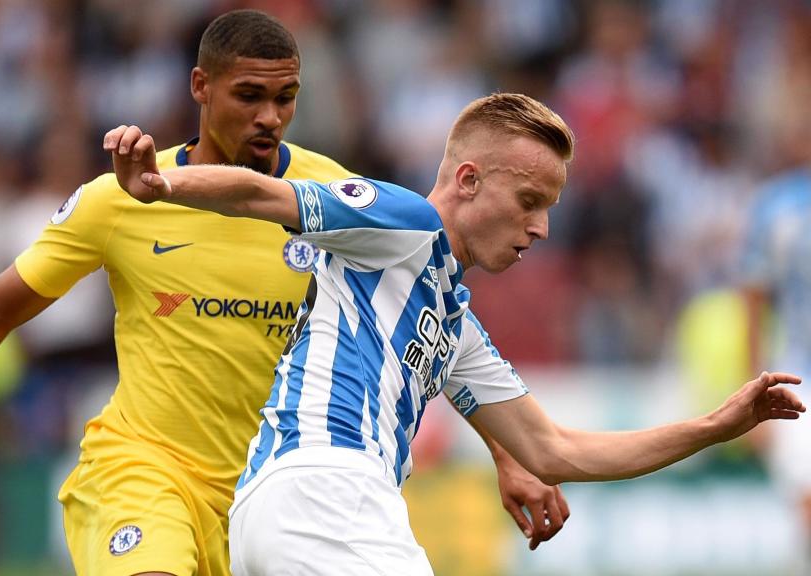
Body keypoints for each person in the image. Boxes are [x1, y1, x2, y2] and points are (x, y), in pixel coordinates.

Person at [0, 10, 564, 576]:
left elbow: (420, 321)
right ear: (199, 88)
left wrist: (508, 457)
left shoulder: (325, 198)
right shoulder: (122, 199)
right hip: (146, 466)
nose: (269, 117)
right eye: (248, 96)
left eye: (285, 98)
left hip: (267, 496)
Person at [109, 93, 805, 576]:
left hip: (284, 510)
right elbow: (267, 195)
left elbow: (555, 449)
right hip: (327, 490)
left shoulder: (451, 324)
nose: (541, 229)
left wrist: (718, 425)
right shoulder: (403, 221)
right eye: (529, 202)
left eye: (550, 208)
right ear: (467, 180)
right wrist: (159, 185)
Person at [740, 115, 811, 570]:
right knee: (805, 496)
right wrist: (755, 388)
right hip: (800, 368)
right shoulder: (777, 204)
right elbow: (754, 301)